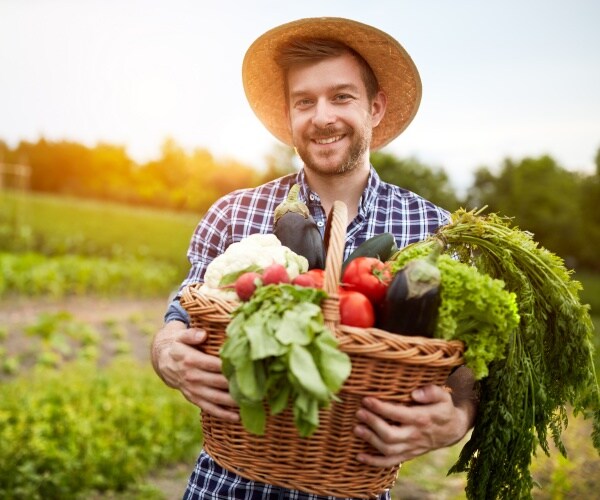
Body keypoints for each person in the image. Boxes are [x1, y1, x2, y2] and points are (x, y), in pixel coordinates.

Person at [151, 17, 478, 499]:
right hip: (226, 486)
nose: (322, 116)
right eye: (305, 101)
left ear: (376, 107)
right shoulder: (232, 213)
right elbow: (179, 317)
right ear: (289, 116)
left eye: (342, 97)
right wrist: (167, 353)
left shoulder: (436, 232)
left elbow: (471, 363)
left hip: (355, 488)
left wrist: (458, 416)